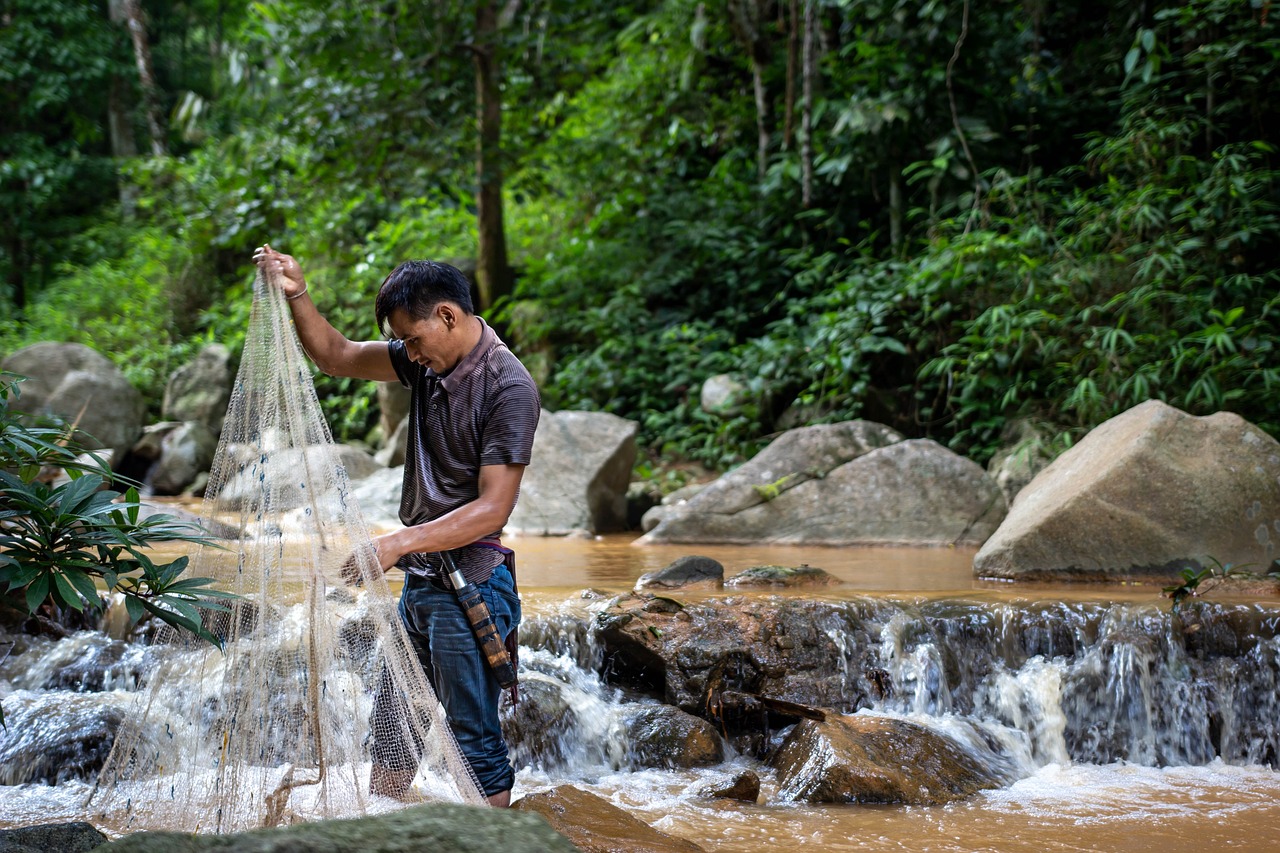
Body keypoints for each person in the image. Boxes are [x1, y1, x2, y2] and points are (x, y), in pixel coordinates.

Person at [253, 243, 540, 808]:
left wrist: (395, 543)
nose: (408, 353)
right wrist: (299, 294)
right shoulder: (426, 357)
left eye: (412, 339)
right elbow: (335, 356)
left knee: (475, 747)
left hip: (471, 588)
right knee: (389, 744)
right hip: (422, 585)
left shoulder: (508, 387)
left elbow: (493, 509)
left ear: (449, 316)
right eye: (402, 342)